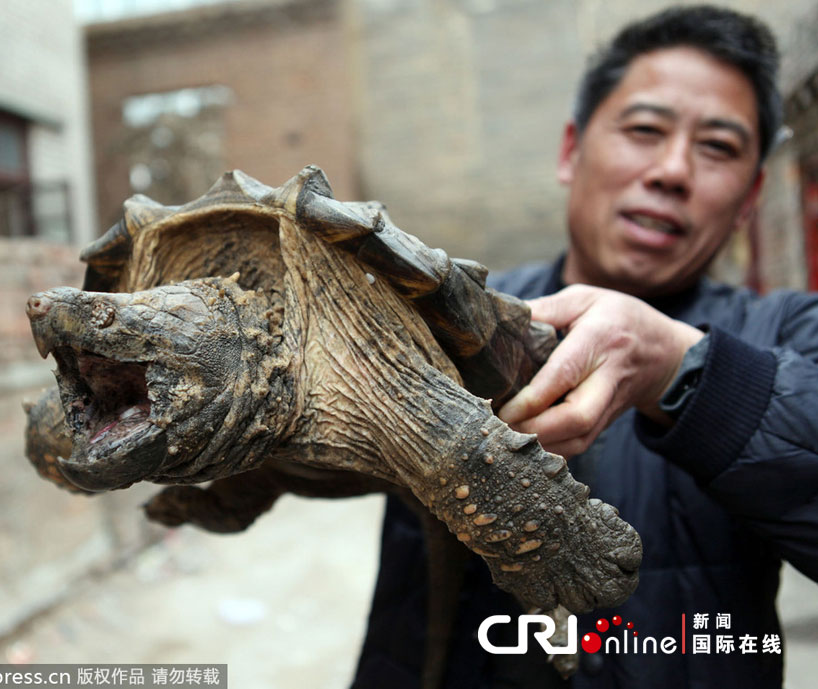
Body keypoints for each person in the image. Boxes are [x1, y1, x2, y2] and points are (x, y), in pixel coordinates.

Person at [351, 5, 818, 689]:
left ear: (749, 198)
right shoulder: (438, 320)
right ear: (571, 150)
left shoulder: (785, 333)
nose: (672, 170)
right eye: (644, 130)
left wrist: (680, 369)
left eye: (717, 147)